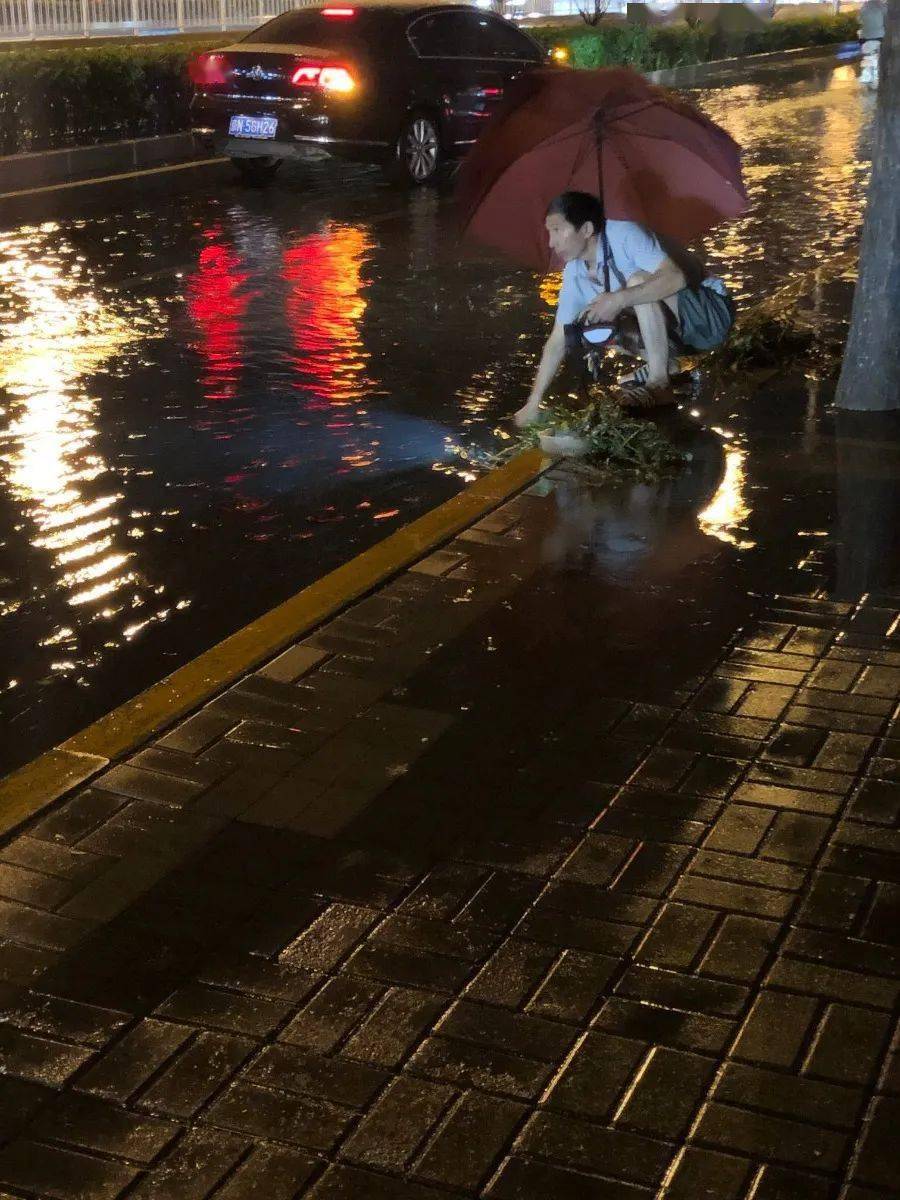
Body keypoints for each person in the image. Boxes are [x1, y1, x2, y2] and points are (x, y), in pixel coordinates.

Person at [514, 191, 733, 427]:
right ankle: (665, 363)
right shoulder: (575, 273)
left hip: (710, 316)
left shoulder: (626, 235)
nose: (551, 242)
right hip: (682, 338)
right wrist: (533, 401)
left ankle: (659, 382)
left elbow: (676, 278)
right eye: (549, 232)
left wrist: (618, 299)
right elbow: (557, 340)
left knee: (636, 281)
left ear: (587, 230)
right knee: (589, 320)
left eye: (557, 230)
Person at [858, 0, 885, 86]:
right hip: (880, 36)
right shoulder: (883, 7)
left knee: (869, 57)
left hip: (865, 37)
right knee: (877, 58)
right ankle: (875, 76)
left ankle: (868, 75)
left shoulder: (864, 7)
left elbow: (859, 20)